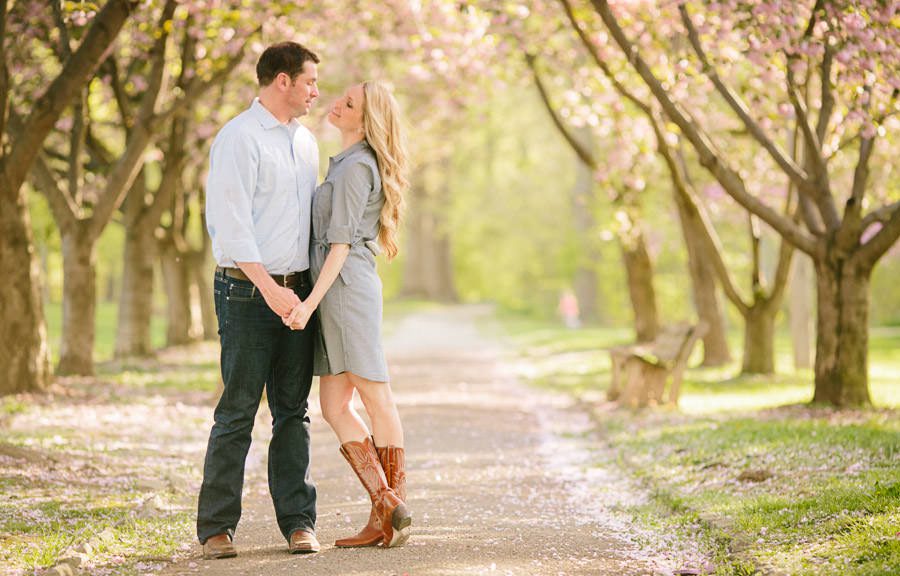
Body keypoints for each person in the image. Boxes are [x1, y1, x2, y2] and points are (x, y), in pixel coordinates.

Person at [197, 41, 322, 559]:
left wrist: (301, 295)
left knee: (293, 411)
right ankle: (216, 528)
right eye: (310, 80)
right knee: (239, 409)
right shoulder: (239, 139)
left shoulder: (307, 143)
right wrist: (270, 291)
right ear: (282, 81)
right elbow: (232, 226)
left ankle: (298, 522)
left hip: (295, 293)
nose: (317, 91)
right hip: (248, 292)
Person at [283, 81, 411, 548]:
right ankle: (387, 507)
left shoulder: (357, 168)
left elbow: (340, 245)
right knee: (333, 406)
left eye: (350, 103)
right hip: (331, 293)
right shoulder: (344, 164)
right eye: (343, 97)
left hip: (346, 291)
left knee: (376, 397)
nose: (337, 103)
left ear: (366, 119)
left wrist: (307, 305)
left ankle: (389, 507)